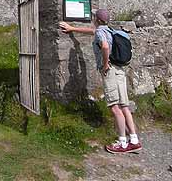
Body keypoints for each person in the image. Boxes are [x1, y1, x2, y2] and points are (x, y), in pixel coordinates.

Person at [59, 8, 142, 154]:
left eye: (93, 17)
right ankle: (134, 140)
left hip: (110, 71)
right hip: (120, 70)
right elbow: (92, 32)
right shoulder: (109, 30)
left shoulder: (100, 32)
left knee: (114, 107)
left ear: (96, 19)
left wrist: (104, 64)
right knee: (124, 106)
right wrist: (72, 28)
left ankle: (122, 143)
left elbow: (104, 46)